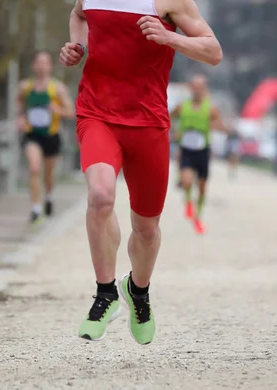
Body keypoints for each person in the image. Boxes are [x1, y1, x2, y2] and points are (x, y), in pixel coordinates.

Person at [60, 0, 222, 344]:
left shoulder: (171, 1)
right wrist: (79, 46)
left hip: (148, 123)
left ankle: (138, 290)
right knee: (100, 195)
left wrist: (171, 39)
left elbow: (213, 51)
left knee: (146, 230)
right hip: (97, 114)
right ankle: (105, 294)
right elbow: (78, 14)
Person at [16, 50, 75, 224]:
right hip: (32, 134)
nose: (41, 66)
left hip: (51, 135)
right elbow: (18, 101)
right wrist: (20, 117)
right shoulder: (25, 86)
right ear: (33, 65)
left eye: (45, 62)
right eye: (38, 62)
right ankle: (36, 208)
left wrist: (57, 110)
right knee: (34, 168)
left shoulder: (57, 88)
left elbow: (71, 112)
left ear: (50, 66)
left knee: (48, 174)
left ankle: (48, 196)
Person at [170, 74, 228, 235]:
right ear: (190, 88)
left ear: (204, 89)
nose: (197, 90)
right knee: (187, 181)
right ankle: (188, 202)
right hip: (187, 150)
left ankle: (198, 216)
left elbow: (220, 125)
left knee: (202, 188)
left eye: (200, 87)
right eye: (195, 86)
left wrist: (219, 127)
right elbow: (168, 118)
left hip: (203, 151)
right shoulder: (182, 106)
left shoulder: (210, 108)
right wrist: (174, 132)